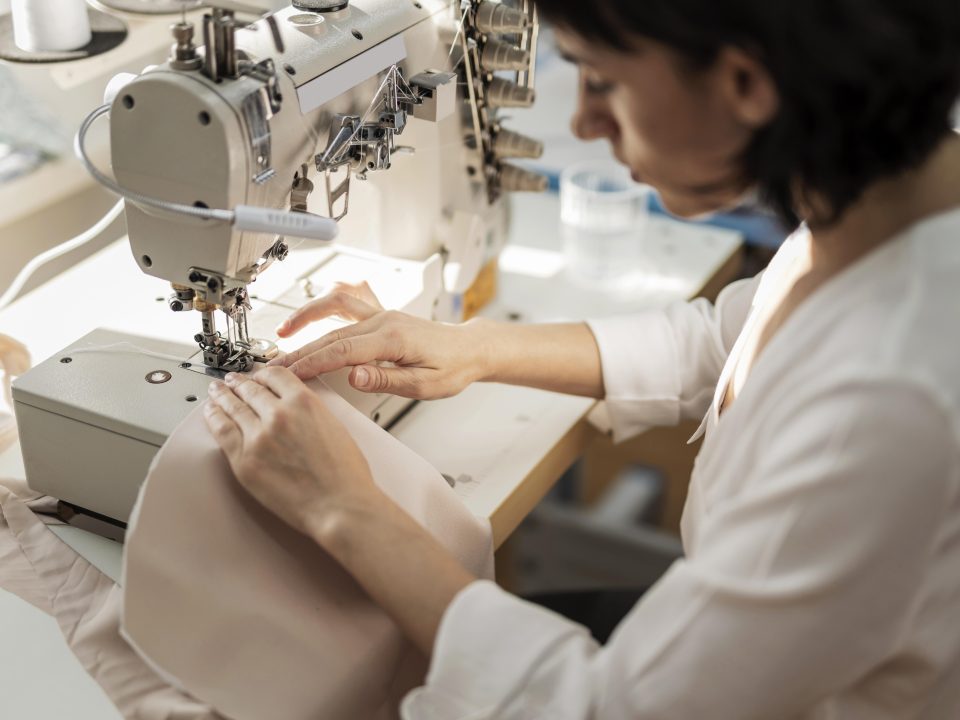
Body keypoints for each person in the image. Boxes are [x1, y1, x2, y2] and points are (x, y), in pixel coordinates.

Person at [202, 1, 960, 716]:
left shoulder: (889, 390)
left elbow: (608, 708)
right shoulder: (884, 205)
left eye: (602, 79)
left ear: (745, 83)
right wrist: (473, 348)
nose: (584, 122)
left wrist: (343, 507)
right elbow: (725, 341)